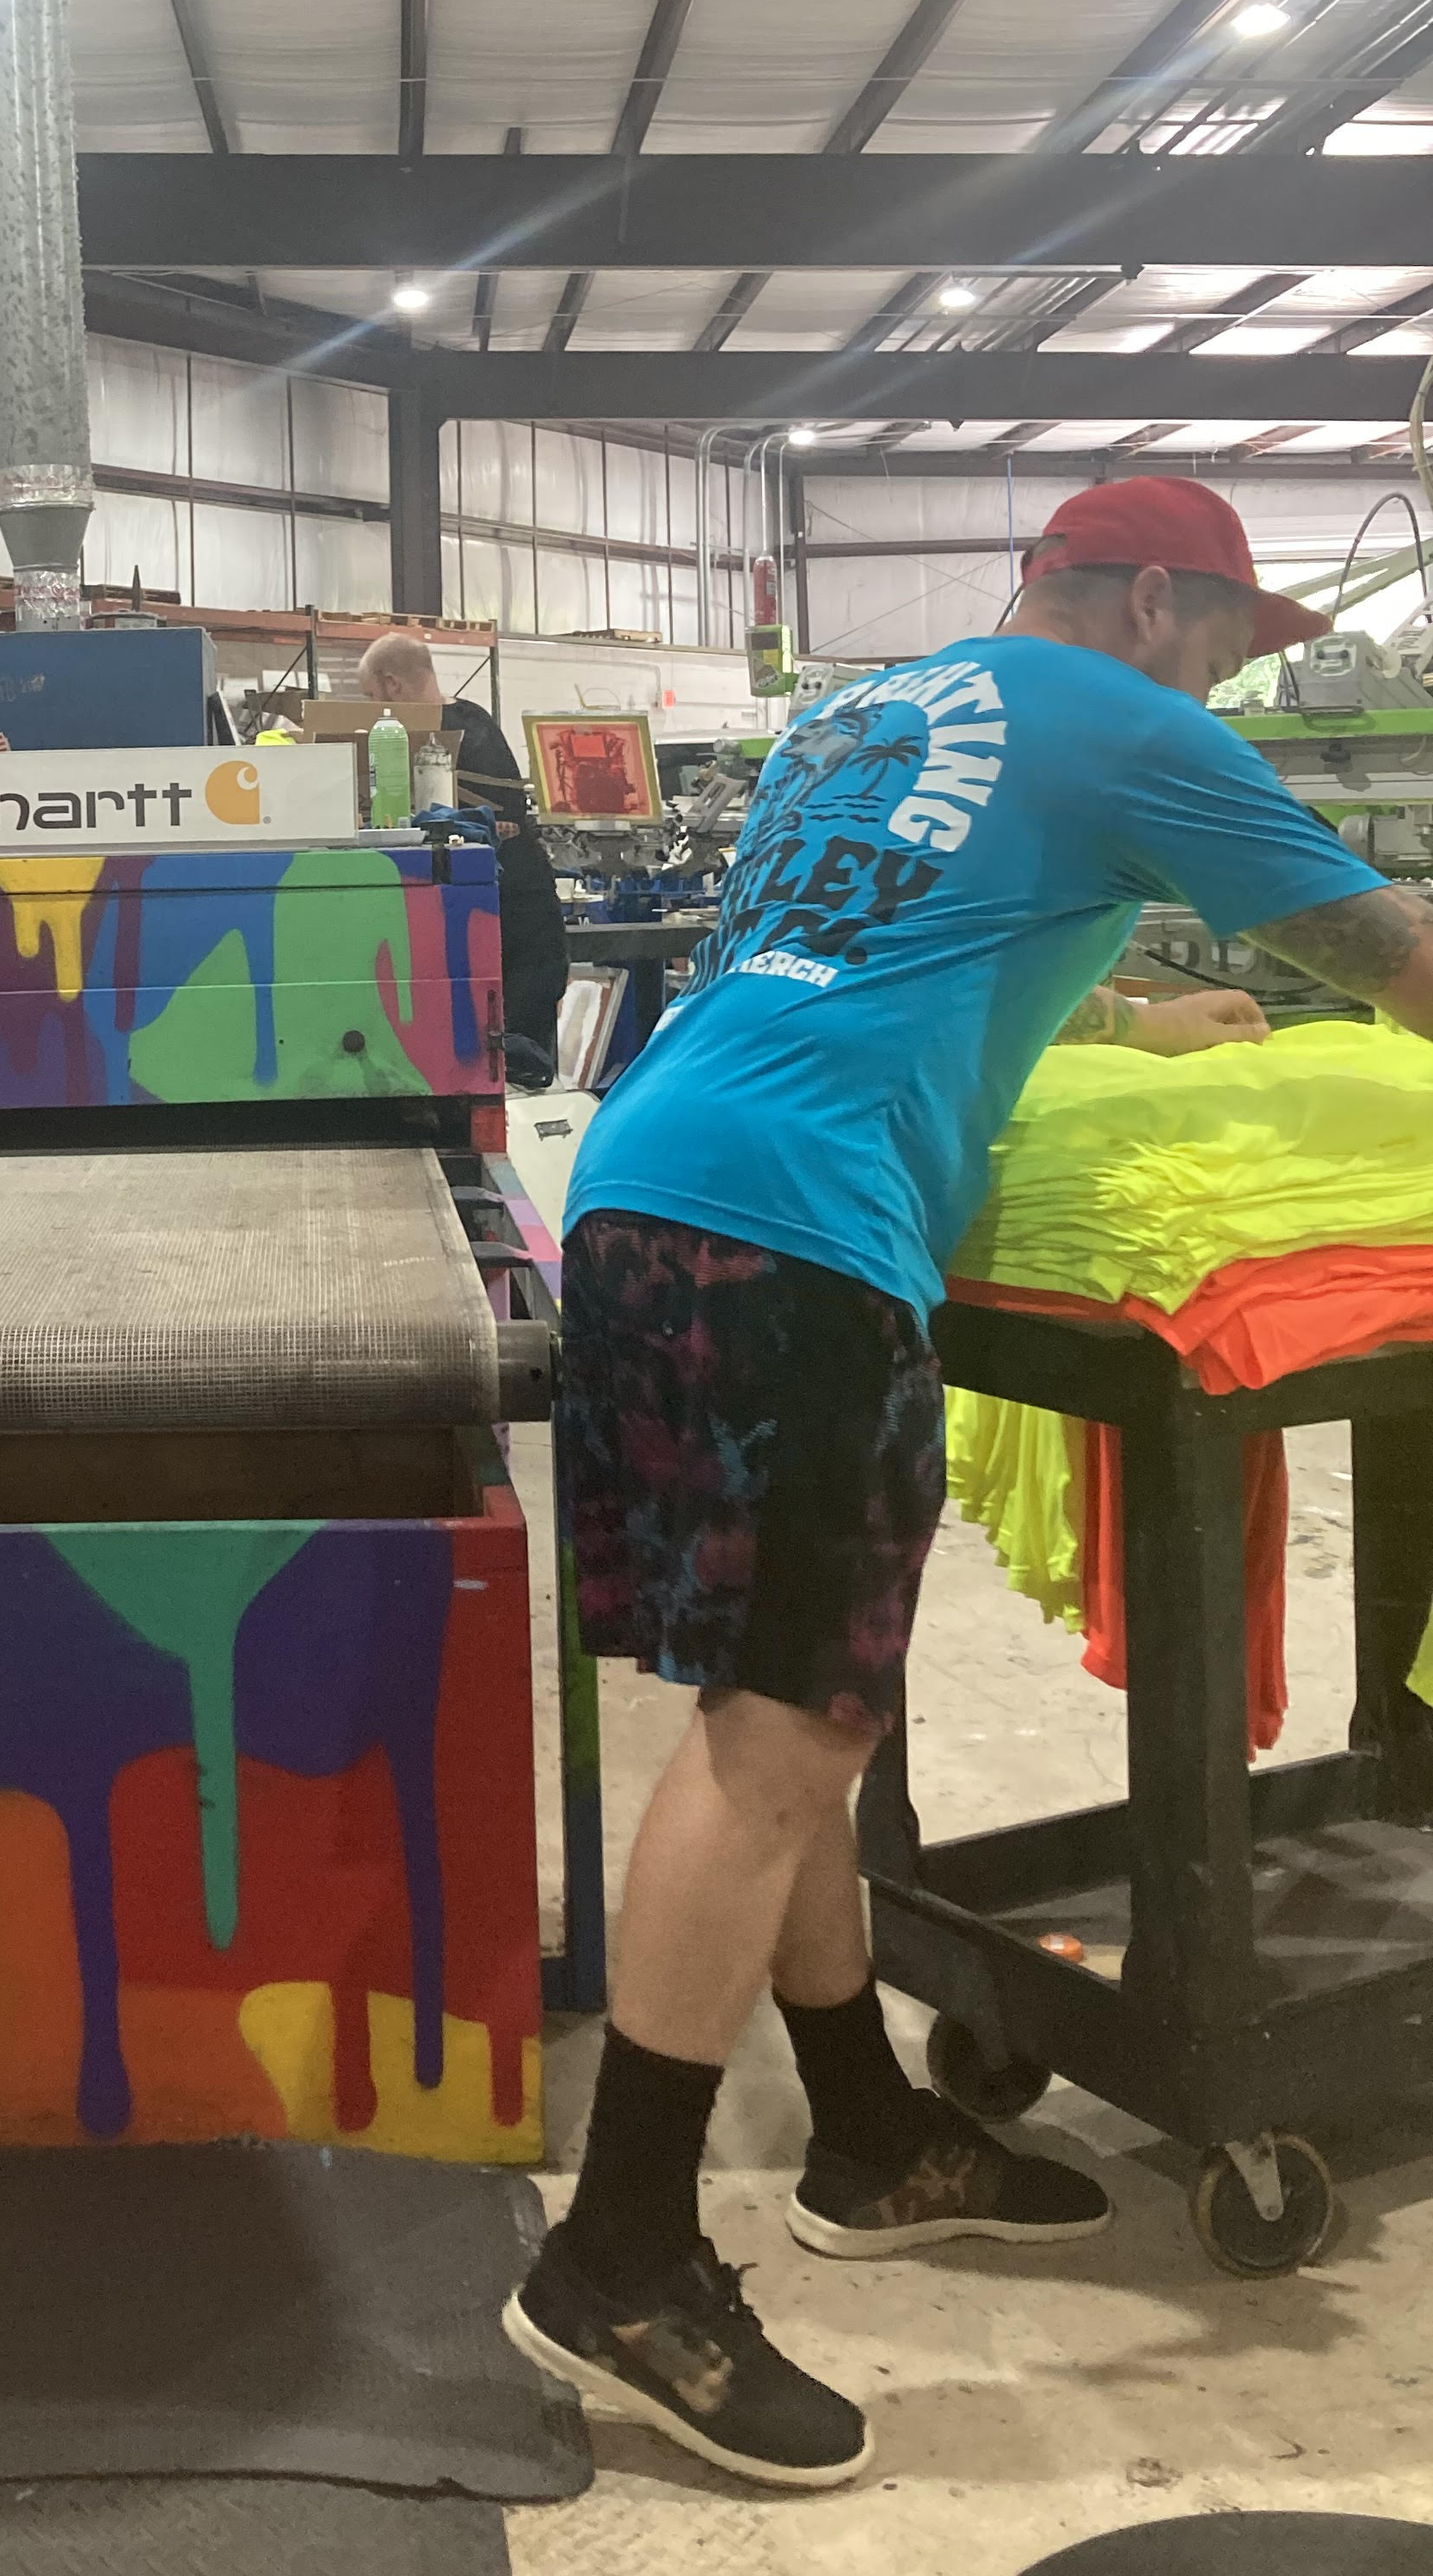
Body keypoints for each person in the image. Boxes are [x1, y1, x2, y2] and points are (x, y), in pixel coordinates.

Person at [506, 476, 1433, 2491]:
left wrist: (1111, 1002)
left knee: (784, 1734)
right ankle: (625, 2253)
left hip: (649, 1194)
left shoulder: (874, 705)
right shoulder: (1131, 719)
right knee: (776, 1749)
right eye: (1226, 646)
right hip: (803, 1242)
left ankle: (866, 2128)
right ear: (1157, 598)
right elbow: (1393, 959)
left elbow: (876, 941)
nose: (1228, 685)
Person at [359, 631, 568, 1075]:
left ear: (393, 685)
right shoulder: (471, 723)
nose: (372, 710)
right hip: (496, 911)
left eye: (371, 696)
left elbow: (501, 822)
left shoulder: (460, 735)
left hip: (514, 913)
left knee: (518, 1057)